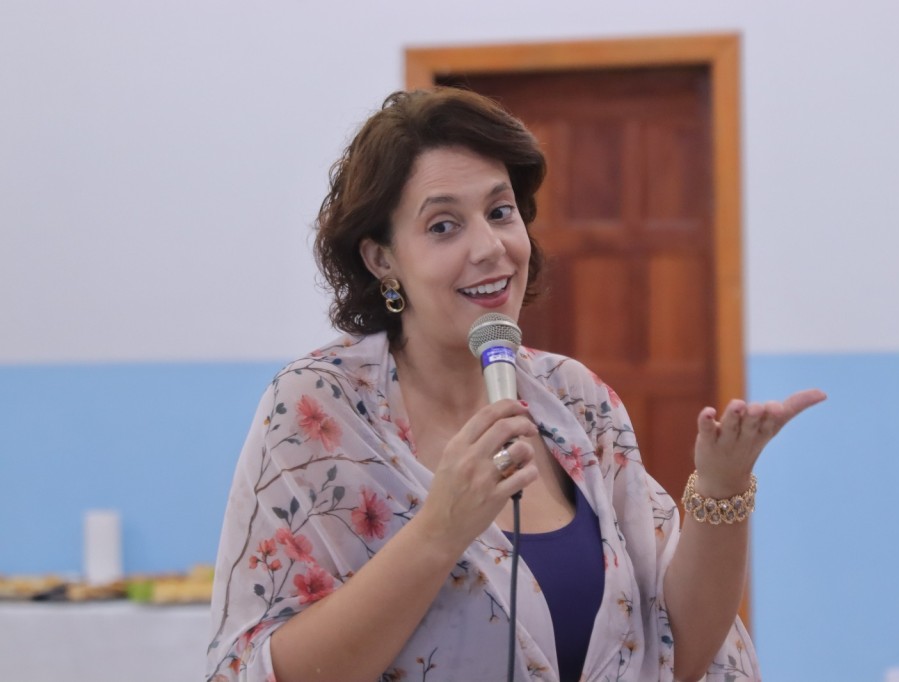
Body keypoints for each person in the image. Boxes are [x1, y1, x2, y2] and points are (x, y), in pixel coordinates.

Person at [205, 86, 825, 682]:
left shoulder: (575, 397)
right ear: (382, 259)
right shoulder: (317, 408)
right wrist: (439, 530)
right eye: (443, 226)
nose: (490, 247)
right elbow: (263, 671)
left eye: (500, 212)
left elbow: (678, 654)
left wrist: (721, 487)